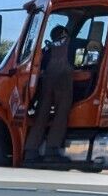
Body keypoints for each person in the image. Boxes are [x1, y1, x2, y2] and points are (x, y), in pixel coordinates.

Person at [24, 24, 75, 160]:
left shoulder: (47, 48)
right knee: (60, 114)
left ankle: (30, 149)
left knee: (41, 115)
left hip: (47, 83)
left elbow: (41, 67)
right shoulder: (71, 44)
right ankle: (52, 150)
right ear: (64, 33)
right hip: (63, 82)